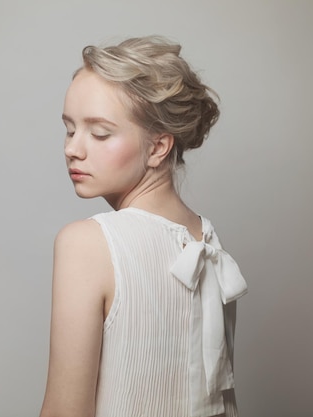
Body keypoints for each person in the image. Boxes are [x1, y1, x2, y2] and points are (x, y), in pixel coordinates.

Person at [39, 36, 248, 417]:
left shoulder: (87, 244)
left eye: (99, 133)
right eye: (70, 129)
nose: (73, 148)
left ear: (158, 147)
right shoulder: (210, 244)